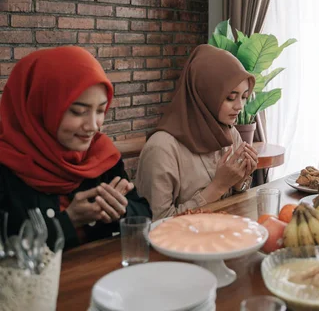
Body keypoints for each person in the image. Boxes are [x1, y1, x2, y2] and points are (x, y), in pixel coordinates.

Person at [0, 46, 151, 251]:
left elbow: (144, 214)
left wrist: (122, 210)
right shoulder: (6, 166)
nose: (94, 126)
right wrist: (69, 221)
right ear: (40, 107)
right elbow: (7, 250)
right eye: (79, 111)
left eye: (100, 110)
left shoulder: (101, 155)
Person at [136, 45, 259, 220]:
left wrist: (240, 181)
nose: (240, 106)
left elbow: (235, 201)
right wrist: (217, 187)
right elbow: (156, 225)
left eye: (244, 97)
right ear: (205, 94)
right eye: (230, 97)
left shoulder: (231, 134)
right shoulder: (161, 149)